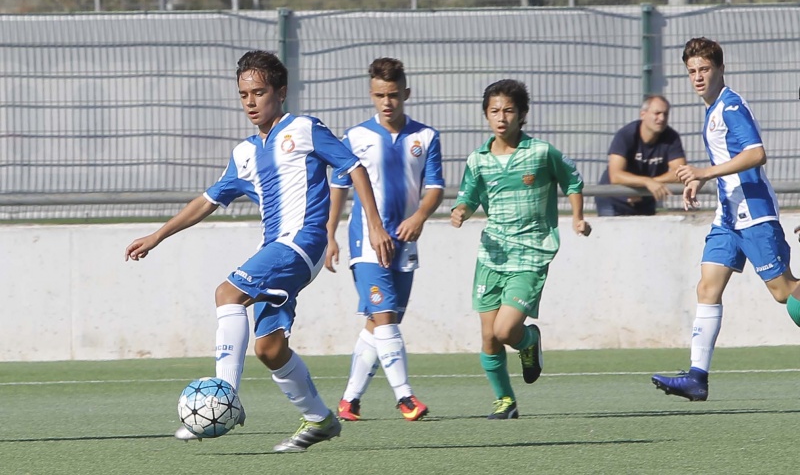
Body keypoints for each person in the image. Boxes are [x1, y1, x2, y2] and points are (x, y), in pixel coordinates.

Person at [124, 50, 395, 451]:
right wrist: (158, 236)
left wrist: (374, 224)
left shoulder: (304, 128)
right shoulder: (245, 153)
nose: (251, 102)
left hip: (303, 242)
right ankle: (321, 420)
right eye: (244, 94)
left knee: (226, 293)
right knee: (269, 349)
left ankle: (223, 400)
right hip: (276, 248)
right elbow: (206, 201)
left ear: (280, 92)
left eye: (259, 92)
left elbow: (353, 167)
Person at [652, 37, 800, 401]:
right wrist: (702, 180)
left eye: (704, 69)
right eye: (692, 71)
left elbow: (756, 154)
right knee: (707, 287)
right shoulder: (712, 108)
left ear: (720, 68)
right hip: (729, 217)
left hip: (753, 213)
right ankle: (696, 377)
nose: (698, 77)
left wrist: (705, 172)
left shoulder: (730, 106)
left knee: (785, 293)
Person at [450, 79, 591, 419]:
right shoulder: (477, 160)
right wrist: (460, 211)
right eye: (494, 111)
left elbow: (572, 179)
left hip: (531, 253)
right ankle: (505, 401)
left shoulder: (541, 153)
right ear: (486, 115)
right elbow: (468, 196)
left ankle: (527, 341)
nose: (502, 118)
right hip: (492, 255)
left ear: (522, 114)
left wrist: (577, 217)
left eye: (509, 110)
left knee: (505, 330)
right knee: (489, 337)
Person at [325, 57, 445, 422]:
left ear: (405, 93)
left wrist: (419, 217)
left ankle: (349, 401)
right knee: (386, 318)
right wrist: (330, 235)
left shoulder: (425, 137)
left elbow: (435, 187)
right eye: (379, 95)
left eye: (393, 95)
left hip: (404, 244)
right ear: (371, 94)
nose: (387, 102)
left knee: (379, 325)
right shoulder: (356, 137)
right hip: (366, 244)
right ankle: (405, 397)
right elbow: (339, 187)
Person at [594, 95, 687, 216]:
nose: (662, 118)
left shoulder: (671, 138)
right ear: (643, 114)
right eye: (657, 113)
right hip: (613, 201)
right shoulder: (625, 135)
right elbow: (616, 176)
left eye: (666, 114)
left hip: (645, 200)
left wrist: (650, 183)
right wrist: (647, 183)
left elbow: (681, 173)